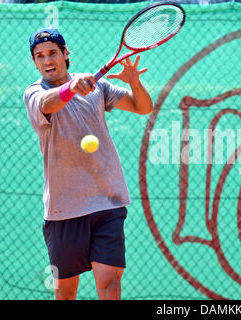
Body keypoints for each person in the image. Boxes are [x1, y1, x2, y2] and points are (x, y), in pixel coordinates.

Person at [23, 28, 153, 300]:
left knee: (109, 283)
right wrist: (72, 87)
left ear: (65, 54)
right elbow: (49, 103)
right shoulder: (34, 93)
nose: (47, 60)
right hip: (63, 209)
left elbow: (143, 107)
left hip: (108, 202)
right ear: (35, 62)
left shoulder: (98, 88)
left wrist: (135, 84)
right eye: (40, 56)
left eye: (53, 53)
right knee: (66, 293)